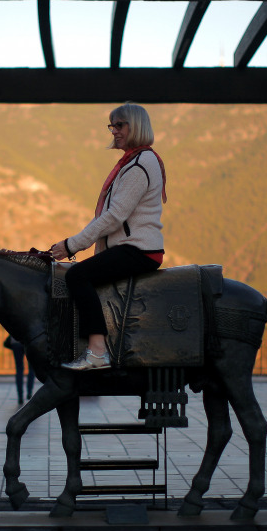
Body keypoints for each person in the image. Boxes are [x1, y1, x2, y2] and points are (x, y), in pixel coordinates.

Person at [49, 102, 167, 370]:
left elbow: (114, 216)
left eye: (120, 125)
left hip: (138, 250)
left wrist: (72, 245)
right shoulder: (134, 161)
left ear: (135, 126)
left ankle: (98, 352)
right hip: (131, 247)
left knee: (76, 276)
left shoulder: (139, 163)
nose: (114, 131)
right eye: (112, 126)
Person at [4, 335, 36, 403]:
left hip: (16, 341)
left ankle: (20, 396)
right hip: (30, 340)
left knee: (19, 369)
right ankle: (29, 393)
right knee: (31, 368)